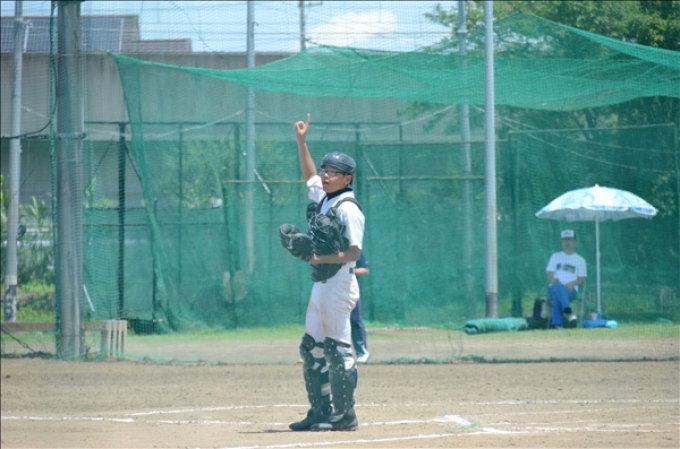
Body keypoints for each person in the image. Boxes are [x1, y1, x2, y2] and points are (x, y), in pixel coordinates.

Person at [289, 114, 365, 432]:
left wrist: (318, 256)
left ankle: (345, 415)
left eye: (334, 172)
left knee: (336, 349)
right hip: (320, 283)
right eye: (325, 169)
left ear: (347, 178)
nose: (325, 175)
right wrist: (302, 142)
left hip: (339, 283)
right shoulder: (324, 198)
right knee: (312, 348)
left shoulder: (348, 208)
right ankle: (319, 411)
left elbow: (354, 253)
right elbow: (309, 176)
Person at [546, 229, 587, 329]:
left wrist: (572, 283)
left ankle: (558, 325)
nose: (567, 243)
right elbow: (550, 275)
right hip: (554, 287)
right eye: (564, 240)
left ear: (575, 242)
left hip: (570, 290)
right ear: (562, 242)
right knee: (558, 287)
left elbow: (581, 280)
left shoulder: (580, 260)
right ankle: (569, 312)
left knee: (557, 295)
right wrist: (553, 280)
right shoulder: (555, 256)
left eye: (569, 240)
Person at [351, 252, 370, 363]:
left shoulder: (353, 249)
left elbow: (364, 269)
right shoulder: (328, 249)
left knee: (354, 320)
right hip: (333, 289)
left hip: (351, 290)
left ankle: (362, 352)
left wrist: (349, 271)